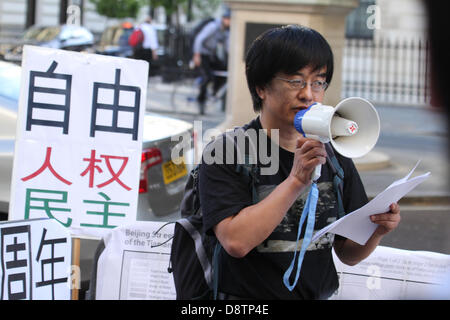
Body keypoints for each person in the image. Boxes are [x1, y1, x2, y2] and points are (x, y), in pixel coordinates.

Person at [198, 25, 401, 300]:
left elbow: (348, 253)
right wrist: (296, 181)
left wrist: (377, 230)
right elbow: (235, 241)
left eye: (318, 82)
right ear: (261, 88)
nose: (308, 94)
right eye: (295, 81)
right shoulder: (227, 152)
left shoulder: (334, 153)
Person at [192, 10, 230, 114]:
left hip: (210, 55)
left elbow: (228, 46)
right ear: (224, 18)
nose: (229, 22)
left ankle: (213, 92)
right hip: (202, 54)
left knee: (224, 71)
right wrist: (196, 55)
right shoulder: (213, 26)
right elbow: (199, 39)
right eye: (228, 19)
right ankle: (201, 99)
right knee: (207, 77)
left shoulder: (224, 31)